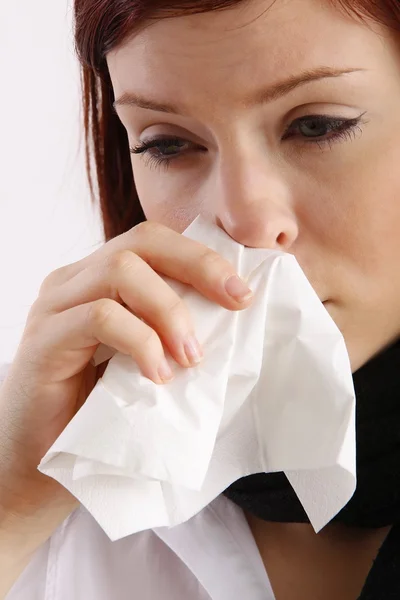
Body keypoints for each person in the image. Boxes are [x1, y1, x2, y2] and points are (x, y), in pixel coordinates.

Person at [0, 0, 399, 598]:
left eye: (317, 126)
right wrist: (16, 506)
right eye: (168, 144)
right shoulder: (44, 442)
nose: (242, 220)